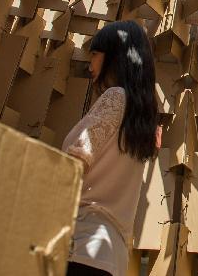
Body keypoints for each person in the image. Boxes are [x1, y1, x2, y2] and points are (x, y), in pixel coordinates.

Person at [61, 20, 159, 276]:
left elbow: (73, 164)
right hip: (111, 254)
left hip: (82, 244)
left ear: (116, 57)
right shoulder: (140, 117)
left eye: (94, 54)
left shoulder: (115, 98)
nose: (89, 63)